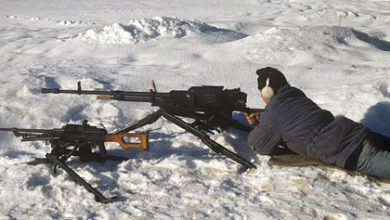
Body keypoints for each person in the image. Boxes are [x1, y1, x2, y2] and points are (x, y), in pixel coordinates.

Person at [246, 67, 390, 178]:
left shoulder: (272, 111)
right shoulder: (296, 94)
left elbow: (258, 146)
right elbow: (294, 119)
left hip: (348, 151)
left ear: (267, 91)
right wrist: (263, 121)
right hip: (356, 132)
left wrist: (261, 124)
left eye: (261, 92)